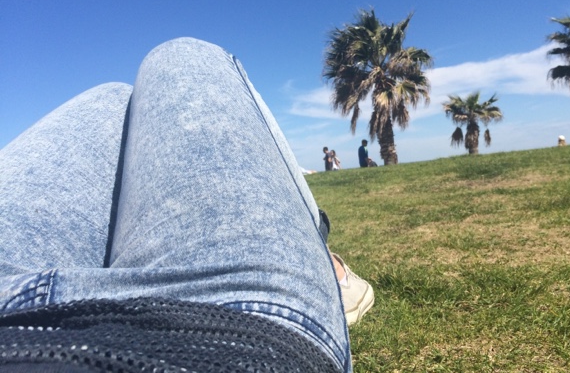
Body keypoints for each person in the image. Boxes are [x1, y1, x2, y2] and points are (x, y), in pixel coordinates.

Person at [0, 38, 375, 372]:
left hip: (15, 303)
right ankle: (320, 258)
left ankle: (317, 253)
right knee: (181, 55)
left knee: (110, 98)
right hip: (216, 335)